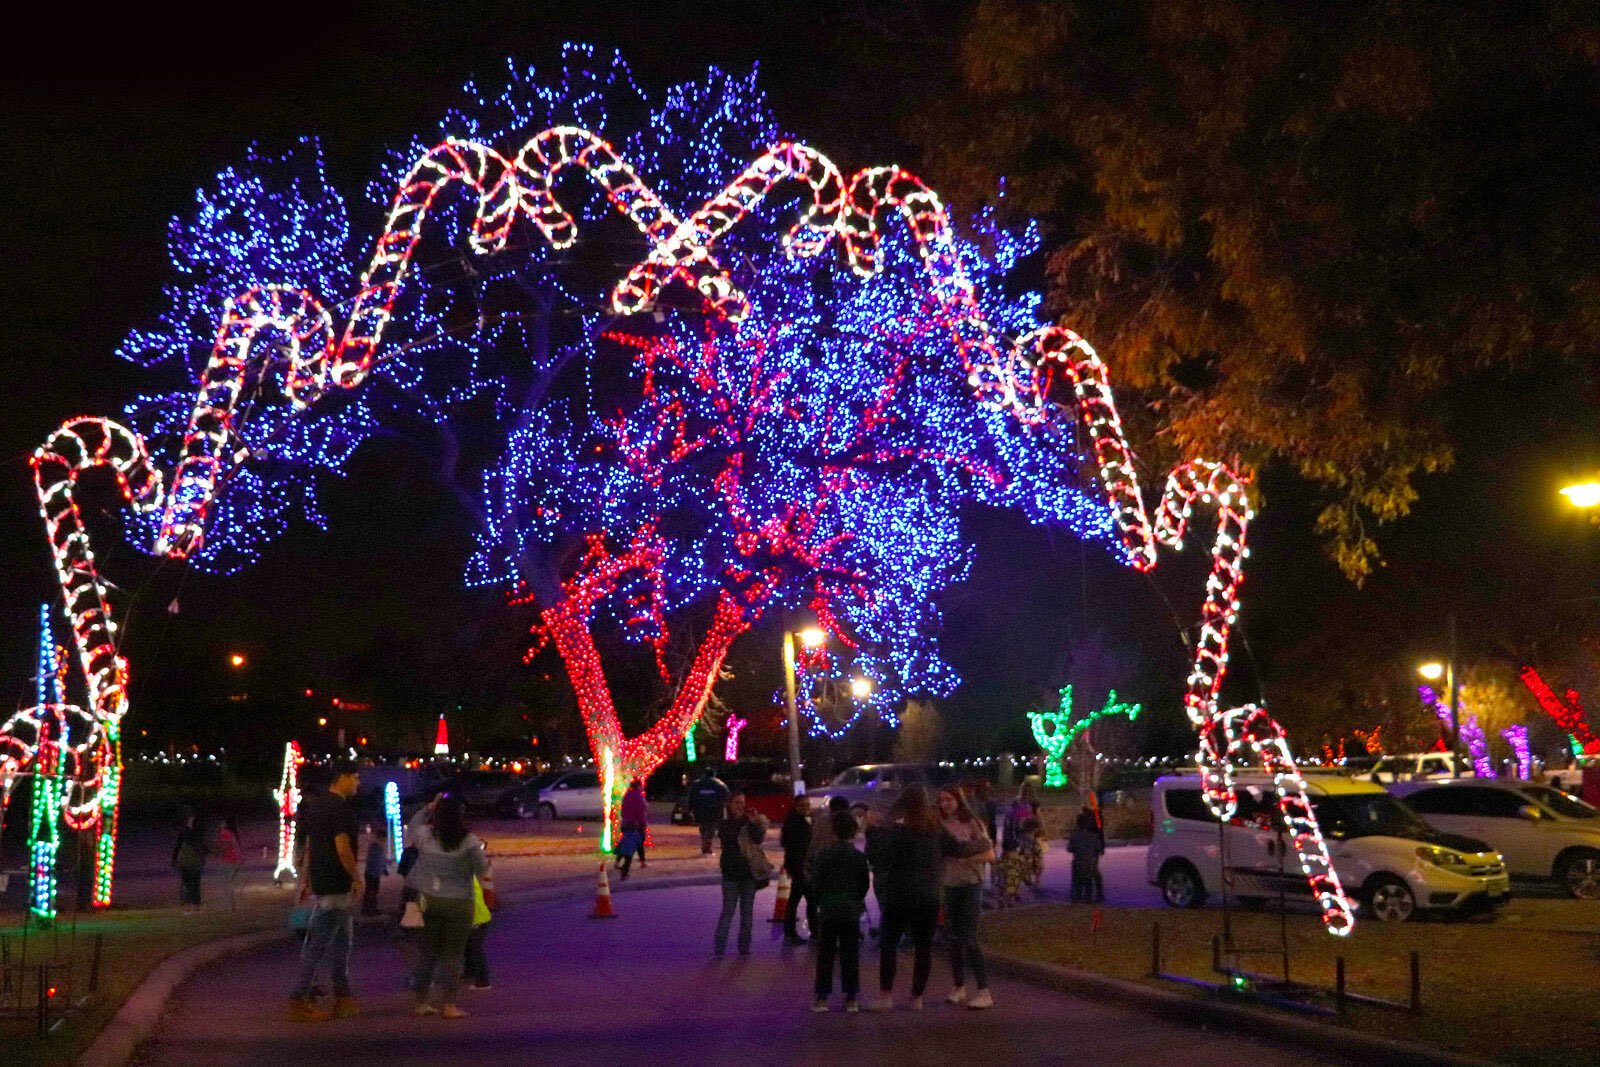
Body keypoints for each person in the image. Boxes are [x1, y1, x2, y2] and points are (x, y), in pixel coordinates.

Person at [864, 784, 988, 1011]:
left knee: (889, 944)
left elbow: (876, 856)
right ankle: (916, 997)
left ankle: (886, 996)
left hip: (899, 895)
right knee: (923, 947)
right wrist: (983, 843)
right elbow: (960, 849)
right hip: (929, 896)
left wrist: (871, 831)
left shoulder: (897, 831)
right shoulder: (936, 830)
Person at [408, 794, 494, 1018]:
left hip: (429, 900)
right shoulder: (469, 842)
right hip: (459, 902)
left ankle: (421, 1002)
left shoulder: (426, 836)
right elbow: (482, 870)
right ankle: (449, 1005)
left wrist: (429, 806)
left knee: (427, 953)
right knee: (453, 956)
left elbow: (414, 823)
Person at [289, 760, 363, 1021]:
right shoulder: (342, 810)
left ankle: (342, 996)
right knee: (317, 944)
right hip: (336, 884)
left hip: (323, 881)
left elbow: (310, 848)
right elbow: (342, 848)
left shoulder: (316, 807)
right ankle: (298, 997)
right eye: (355, 777)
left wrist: (307, 880)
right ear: (341, 778)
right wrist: (356, 877)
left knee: (343, 942)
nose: (358, 783)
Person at [938, 786, 995, 1009]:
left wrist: (967, 858)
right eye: (942, 800)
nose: (945, 804)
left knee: (970, 937)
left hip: (970, 884)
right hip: (950, 885)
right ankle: (958, 986)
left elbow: (990, 854)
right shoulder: (940, 827)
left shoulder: (972, 824)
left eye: (949, 799)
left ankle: (983, 990)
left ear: (958, 801)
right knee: (952, 938)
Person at [811, 809, 870, 1013]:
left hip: (828, 908)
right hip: (850, 910)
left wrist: (820, 901)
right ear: (852, 832)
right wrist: (856, 900)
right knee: (850, 953)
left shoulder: (823, 855)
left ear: (833, 831)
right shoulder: (858, 857)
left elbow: (816, 883)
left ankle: (822, 997)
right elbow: (863, 884)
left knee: (825, 953)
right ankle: (851, 997)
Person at [713, 792, 768, 957]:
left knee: (747, 914)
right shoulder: (725, 823)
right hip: (731, 874)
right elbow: (729, 838)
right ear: (729, 805)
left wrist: (753, 823)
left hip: (748, 874)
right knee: (728, 912)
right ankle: (720, 949)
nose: (740, 806)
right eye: (737, 802)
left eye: (742, 802)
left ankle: (744, 948)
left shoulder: (748, 822)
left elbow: (758, 839)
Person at [780, 794, 813, 944]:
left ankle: (792, 932)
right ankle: (792, 932)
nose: (806, 808)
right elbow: (796, 846)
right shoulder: (796, 823)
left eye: (808, 805)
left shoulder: (797, 821)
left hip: (798, 865)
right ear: (796, 806)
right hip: (799, 866)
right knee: (802, 899)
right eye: (802, 805)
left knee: (804, 899)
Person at [172, 810, 208, 913]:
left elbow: (178, 847)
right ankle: (195, 906)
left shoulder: (186, 833)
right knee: (194, 884)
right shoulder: (197, 833)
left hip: (188, 862)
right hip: (193, 862)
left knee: (189, 884)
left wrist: (174, 860)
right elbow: (203, 848)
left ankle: (191, 906)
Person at [1068, 808, 1106, 904]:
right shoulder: (1093, 837)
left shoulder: (1074, 836)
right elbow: (1099, 850)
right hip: (1090, 865)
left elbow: (1069, 849)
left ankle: (1077, 894)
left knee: (1076, 875)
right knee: (1095, 875)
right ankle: (1098, 894)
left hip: (1078, 864)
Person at [689, 767, 730, 855]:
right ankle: (706, 847)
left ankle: (706, 846)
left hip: (699, 811)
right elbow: (726, 796)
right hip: (714, 811)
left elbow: (691, 798)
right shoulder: (720, 785)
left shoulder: (696, 784)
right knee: (710, 829)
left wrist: (691, 809)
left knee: (704, 828)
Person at [464, 873, 493, 990]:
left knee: (476, 949)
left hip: (476, 919)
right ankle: (470, 971)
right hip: (477, 917)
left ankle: (483, 980)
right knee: (469, 946)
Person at [616, 778, 649, 880]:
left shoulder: (627, 795)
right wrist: (643, 824)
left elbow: (623, 810)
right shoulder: (638, 796)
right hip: (635, 824)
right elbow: (640, 812)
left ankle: (618, 862)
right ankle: (625, 870)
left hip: (626, 823)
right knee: (636, 844)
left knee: (626, 843)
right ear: (638, 786)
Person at [361, 820, 390, 916]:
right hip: (371, 873)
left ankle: (372, 908)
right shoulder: (374, 847)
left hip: (375, 873)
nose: (384, 841)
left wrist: (384, 869)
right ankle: (367, 909)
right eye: (383, 839)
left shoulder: (379, 847)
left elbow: (381, 861)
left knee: (374, 892)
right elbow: (374, 861)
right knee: (370, 892)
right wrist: (382, 869)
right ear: (379, 838)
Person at [215, 815, 243, 911]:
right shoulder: (231, 833)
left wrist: (218, 852)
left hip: (228, 860)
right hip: (233, 860)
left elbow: (227, 846)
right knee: (228, 883)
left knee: (227, 883)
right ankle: (230, 904)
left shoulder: (224, 833)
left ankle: (230, 905)